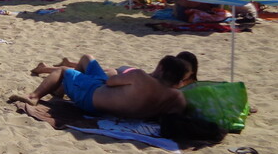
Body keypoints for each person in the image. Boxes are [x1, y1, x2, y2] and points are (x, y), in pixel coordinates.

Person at [10, 55, 189, 119]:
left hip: (91, 97)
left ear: (161, 69)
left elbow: (110, 82)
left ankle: (34, 97)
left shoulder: (141, 77)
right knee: (87, 58)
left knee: (64, 71)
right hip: (107, 102)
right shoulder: (176, 97)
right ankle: (59, 90)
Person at [31, 51, 199, 88]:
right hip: (122, 74)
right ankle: (45, 68)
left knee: (86, 69)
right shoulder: (176, 78)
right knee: (84, 72)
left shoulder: (179, 77)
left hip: (126, 72)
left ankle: (63, 64)